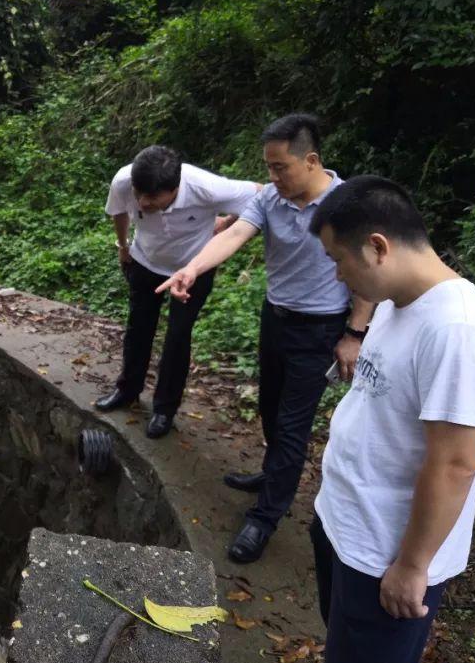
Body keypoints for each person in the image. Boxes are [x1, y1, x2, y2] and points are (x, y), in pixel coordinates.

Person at [281, 175, 475, 663]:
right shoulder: (397, 302)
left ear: (377, 246)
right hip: (348, 525)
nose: (338, 275)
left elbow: (455, 463)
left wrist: (412, 565)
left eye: (340, 260)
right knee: (348, 662)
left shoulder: (460, 330)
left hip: (388, 552)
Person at [158, 114, 373, 563]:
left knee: (293, 425)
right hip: (275, 318)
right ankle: (274, 472)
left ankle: (265, 517)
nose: (271, 178)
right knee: (271, 408)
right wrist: (192, 268)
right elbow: (235, 233)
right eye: (269, 168)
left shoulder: (347, 205)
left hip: (319, 329)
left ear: (311, 161)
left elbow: (365, 274)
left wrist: (354, 332)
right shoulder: (272, 198)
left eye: (280, 168)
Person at [94, 145, 260, 438]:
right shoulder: (124, 181)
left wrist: (228, 221)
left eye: (153, 197)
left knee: (178, 336)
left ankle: (164, 410)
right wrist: (122, 246)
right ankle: (127, 390)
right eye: (139, 193)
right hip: (145, 261)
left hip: (193, 270)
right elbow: (119, 211)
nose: (143, 203)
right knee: (138, 328)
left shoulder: (207, 188)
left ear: (175, 189)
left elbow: (260, 194)